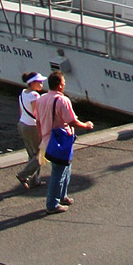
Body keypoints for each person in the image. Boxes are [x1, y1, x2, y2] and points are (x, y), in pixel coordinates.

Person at [35, 69, 93, 214]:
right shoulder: (62, 100)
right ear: (59, 85)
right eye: (64, 82)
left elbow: (38, 121)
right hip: (60, 140)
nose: (65, 84)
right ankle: (52, 204)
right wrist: (85, 125)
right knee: (59, 172)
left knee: (65, 167)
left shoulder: (41, 99)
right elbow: (71, 120)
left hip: (47, 139)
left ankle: (62, 196)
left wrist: (42, 136)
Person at [15, 71, 44, 190]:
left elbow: (22, 111)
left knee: (32, 154)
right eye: (40, 82)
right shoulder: (34, 95)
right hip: (32, 126)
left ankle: (34, 180)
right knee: (42, 154)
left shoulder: (23, 93)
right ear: (33, 83)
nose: (42, 84)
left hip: (22, 124)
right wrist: (42, 129)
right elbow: (37, 115)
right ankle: (24, 175)